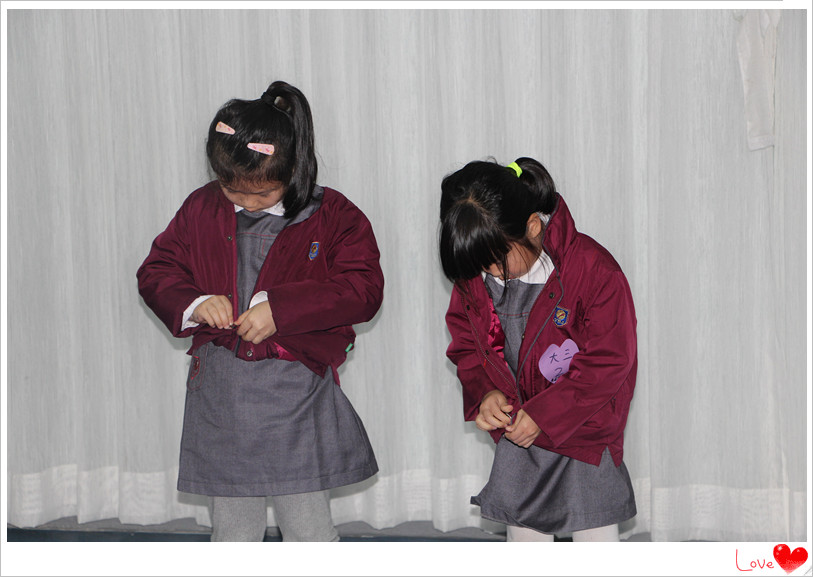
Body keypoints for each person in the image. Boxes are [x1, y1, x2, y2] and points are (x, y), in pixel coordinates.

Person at [137, 80, 383, 542]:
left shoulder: (333, 214)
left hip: (296, 389)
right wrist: (195, 303)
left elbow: (363, 288)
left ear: (294, 167)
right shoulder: (201, 207)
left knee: (308, 525)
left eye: (263, 193)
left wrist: (282, 309)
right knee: (233, 529)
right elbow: (156, 270)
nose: (247, 203)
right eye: (233, 190)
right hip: (222, 394)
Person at [439, 157, 637, 542]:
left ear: (532, 226)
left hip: (584, 434)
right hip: (520, 437)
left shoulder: (594, 271)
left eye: (496, 261)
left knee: (595, 539)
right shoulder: (477, 276)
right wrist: (485, 392)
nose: (489, 273)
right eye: (479, 265)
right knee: (526, 540)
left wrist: (546, 414)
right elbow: (467, 346)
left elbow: (609, 361)